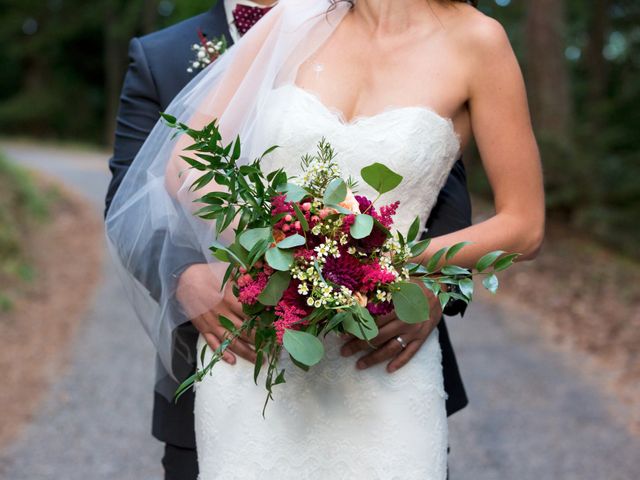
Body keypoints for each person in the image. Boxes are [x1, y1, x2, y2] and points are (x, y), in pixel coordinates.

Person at [106, 0, 543, 478]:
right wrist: (278, 245)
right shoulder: (291, 20)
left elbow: (524, 224)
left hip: (381, 365)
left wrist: (383, 264)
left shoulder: (479, 42)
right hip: (256, 357)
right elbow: (185, 166)